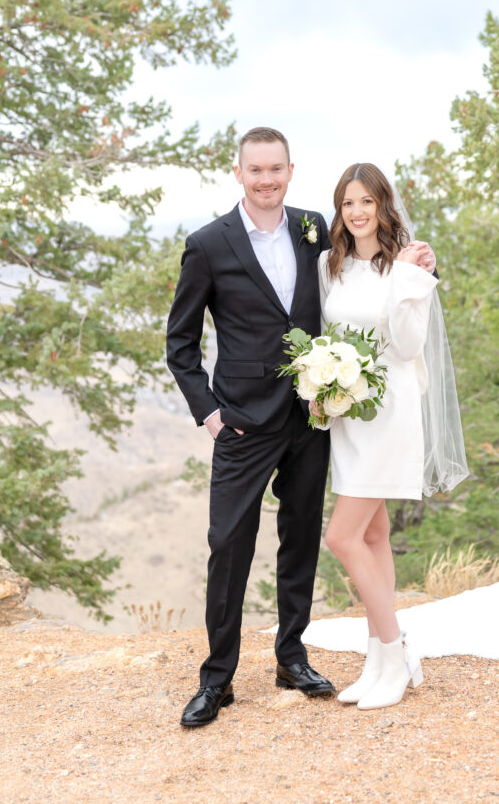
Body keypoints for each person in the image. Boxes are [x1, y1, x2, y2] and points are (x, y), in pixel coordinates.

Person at [166, 127, 335, 727]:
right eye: (255, 170)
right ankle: (218, 680)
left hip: (311, 415)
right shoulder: (209, 243)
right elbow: (180, 344)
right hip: (241, 423)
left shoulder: (315, 226)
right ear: (238, 173)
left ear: (292, 169)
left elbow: (370, 263)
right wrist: (210, 416)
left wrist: (425, 263)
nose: (267, 180)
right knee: (228, 546)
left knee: (300, 539)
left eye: (276, 169)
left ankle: (291, 657)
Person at [317, 162, 468, 710]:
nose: (357, 213)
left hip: (390, 413)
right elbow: (326, 332)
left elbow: (407, 348)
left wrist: (409, 279)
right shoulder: (328, 266)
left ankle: (396, 651)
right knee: (373, 537)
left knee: (340, 538)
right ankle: (380, 661)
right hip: (349, 416)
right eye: (347, 204)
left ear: (384, 206)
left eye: (367, 203)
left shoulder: (407, 267)